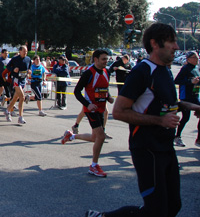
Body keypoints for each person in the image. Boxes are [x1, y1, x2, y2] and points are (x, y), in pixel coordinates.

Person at [86, 23, 200, 217]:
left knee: (173, 206)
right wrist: (160, 121)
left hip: (165, 147)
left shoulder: (165, 70)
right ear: (155, 44)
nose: (176, 47)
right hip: (147, 148)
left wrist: (188, 106)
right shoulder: (142, 72)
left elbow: (161, 103)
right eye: (171, 41)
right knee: (156, 210)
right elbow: (120, 112)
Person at [61, 49, 114, 178]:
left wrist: (109, 97)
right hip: (91, 110)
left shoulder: (106, 72)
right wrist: (87, 104)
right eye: (103, 59)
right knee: (101, 137)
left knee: (94, 138)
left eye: (107, 59)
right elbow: (77, 91)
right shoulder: (88, 73)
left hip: (101, 108)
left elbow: (104, 88)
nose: (106, 62)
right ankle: (94, 166)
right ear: (95, 59)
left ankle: (71, 136)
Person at [173, 51, 200, 147]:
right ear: (188, 59)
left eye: (197, 57)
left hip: (195, 96)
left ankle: (198, 139)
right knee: (185, 118)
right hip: (186, 97)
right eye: (194, 57)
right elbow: (176, 80)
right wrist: (190, 81)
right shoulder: (185, 68)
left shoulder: (196, 68)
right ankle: (177, 137)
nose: (197, 59)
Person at [4, 46, 31, 124]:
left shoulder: (28, 59)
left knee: (16, 97)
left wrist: (29, 71)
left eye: (26, 52)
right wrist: (13, 70)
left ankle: (7, 110)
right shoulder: (15, 59)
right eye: (24, 51)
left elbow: (29, 67)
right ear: (20, 51)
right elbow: (8, 66)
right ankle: (20, 117)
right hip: (16, 79)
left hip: (23, 80)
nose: (25, 53)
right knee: (22, 97)